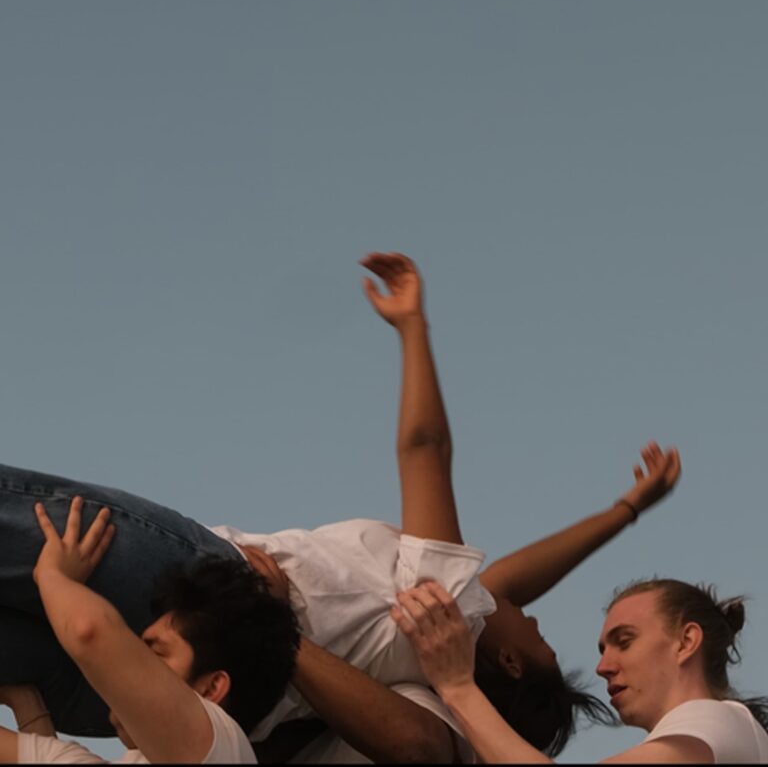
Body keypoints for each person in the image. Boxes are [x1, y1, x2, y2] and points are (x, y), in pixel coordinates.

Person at [0, 253, 680, 759]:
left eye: (539, 636)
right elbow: (512, 583)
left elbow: (425, 450)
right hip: (173, 692)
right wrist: (623, 510)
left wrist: (412, 329)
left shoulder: (447, 606)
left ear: (508, 663)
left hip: (198, 589)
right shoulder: (421, 660)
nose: (531, 615)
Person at [0, 497, 299, 764]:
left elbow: (88, 632)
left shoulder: (222, 751)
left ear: (210, 689)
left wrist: (52, 575)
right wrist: (28, 704)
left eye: (156, 653)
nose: (129, 660)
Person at [392, 576, 768, 763]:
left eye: (625, 641)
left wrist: (457, 686)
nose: (603, 667)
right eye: (603, 650)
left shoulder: (720, 720)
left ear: (686, 642)